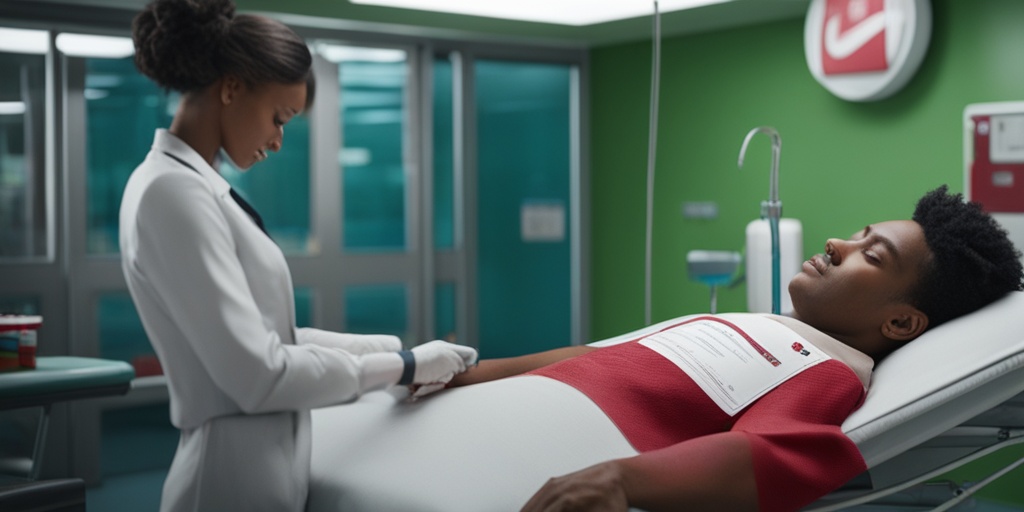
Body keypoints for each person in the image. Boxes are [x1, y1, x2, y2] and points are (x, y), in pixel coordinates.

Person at [425, 185, 1020, 512]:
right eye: (858, 234)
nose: (838, 242)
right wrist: (467, 373)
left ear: (900, 323)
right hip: (457, 417)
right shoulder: (756, 323)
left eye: (872, 254)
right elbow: (598, 355)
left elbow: (769, 454)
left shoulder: (830, 370)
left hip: (498, 467)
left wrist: (620, 480)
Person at [120, 1, 476, 511]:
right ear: (231, 87)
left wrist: (395, 349)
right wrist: (401, 366)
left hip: (260, 477)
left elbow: (274, 339)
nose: (279, 140)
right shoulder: (170, 193)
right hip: (222, 485)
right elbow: (258, 375)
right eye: (278, 117)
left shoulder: (195, 186)